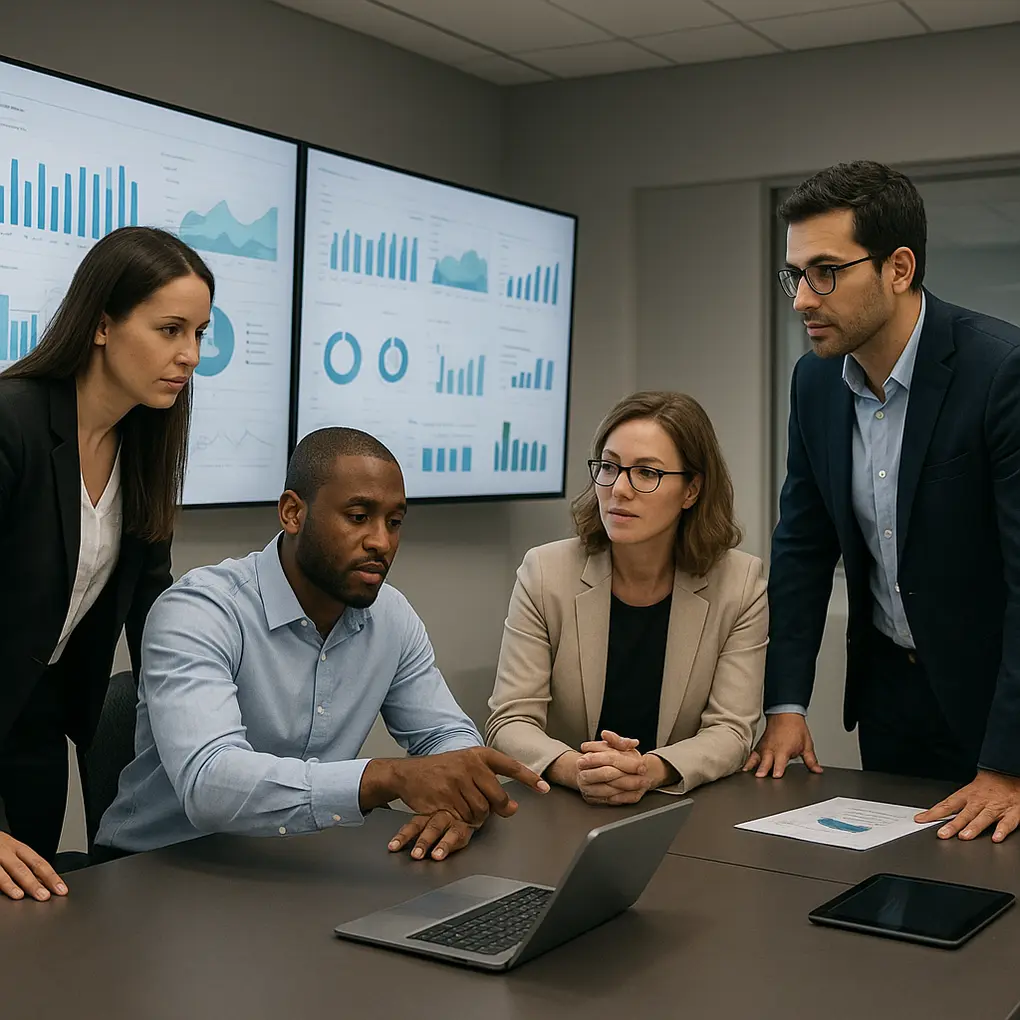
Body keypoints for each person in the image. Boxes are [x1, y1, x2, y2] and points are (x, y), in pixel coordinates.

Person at [96, 427, 548, 861]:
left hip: (302, 865)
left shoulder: (390, 616)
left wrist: (456, 798)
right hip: (162, 869)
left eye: (394, 522)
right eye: (358, 517)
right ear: (293, 513)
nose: (381, 542)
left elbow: (445, 736)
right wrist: (386, 777)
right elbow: (210, 784)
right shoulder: (200, 610)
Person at [746, 160, 1020, 844]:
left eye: (826, 272)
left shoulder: (999, 371)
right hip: (891, 696)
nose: (803, 298)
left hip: (998, 701)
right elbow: (803, 549)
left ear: (898, 268)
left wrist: (1007, 763)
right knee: (896, 897)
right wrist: (785, 701)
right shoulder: (814, 383)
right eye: (795, 274)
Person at [0, 227, 213, 903]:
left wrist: (212, 738)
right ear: (100, 325)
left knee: (31, 927)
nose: (189, 356)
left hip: (32, 727)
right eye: (171, 329)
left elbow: (157, 614)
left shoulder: (145, 446)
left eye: (200, 334)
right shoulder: (11, 424)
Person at [486, 392, 767, 804]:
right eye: (609, 467)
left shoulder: (740, 583)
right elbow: (509, 720)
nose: (619, 489)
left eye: (646, 473)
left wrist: (646, 772)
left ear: (692, 490)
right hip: (564, 803)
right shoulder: (545, 572)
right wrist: (579, 769)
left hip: (677, 805)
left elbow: (731, 730)